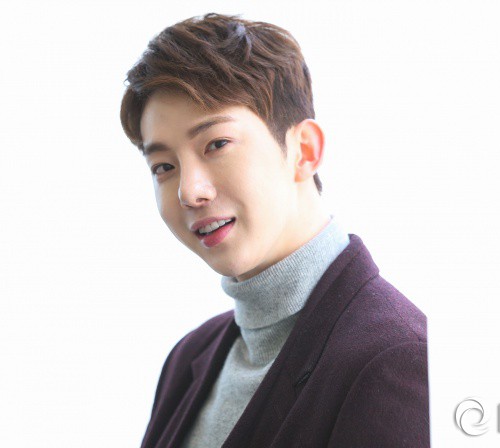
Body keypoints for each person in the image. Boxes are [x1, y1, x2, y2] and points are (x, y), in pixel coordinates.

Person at [120, 13, 429, 448]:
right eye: (164, 167)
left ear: (304, 150)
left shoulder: (395, 360)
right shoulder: (189, 357)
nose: (189, 191)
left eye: (216, 144)